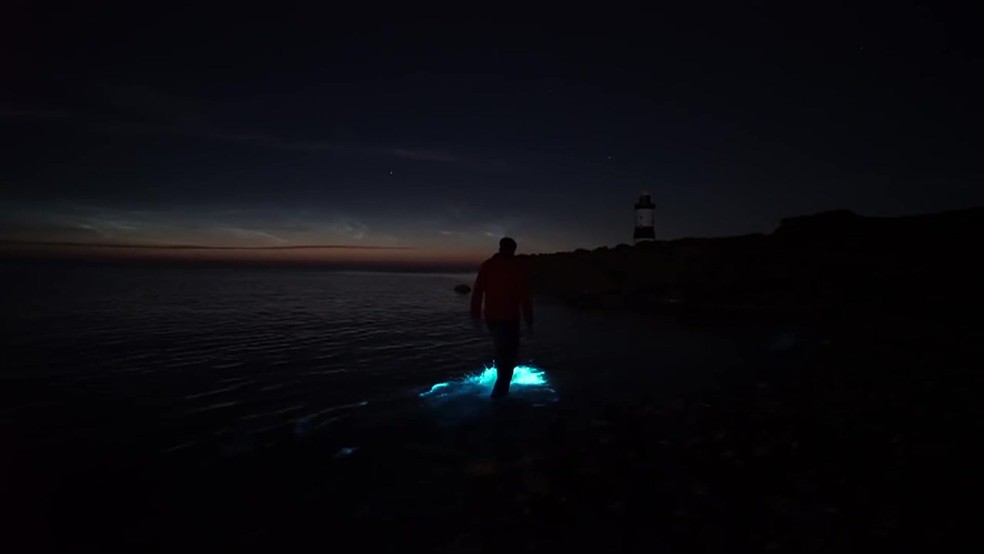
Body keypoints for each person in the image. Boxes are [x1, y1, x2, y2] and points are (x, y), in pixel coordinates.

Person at [470, 237, 534, 398]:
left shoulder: (488, 265)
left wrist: (476, 317)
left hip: (493, 318)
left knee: (504, 354)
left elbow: (477, 292)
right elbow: (524, 298)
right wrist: (529, 322)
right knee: (508, 357)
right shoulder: (517, 267)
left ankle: (500, 391)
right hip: (508, 319)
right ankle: (499, 396)